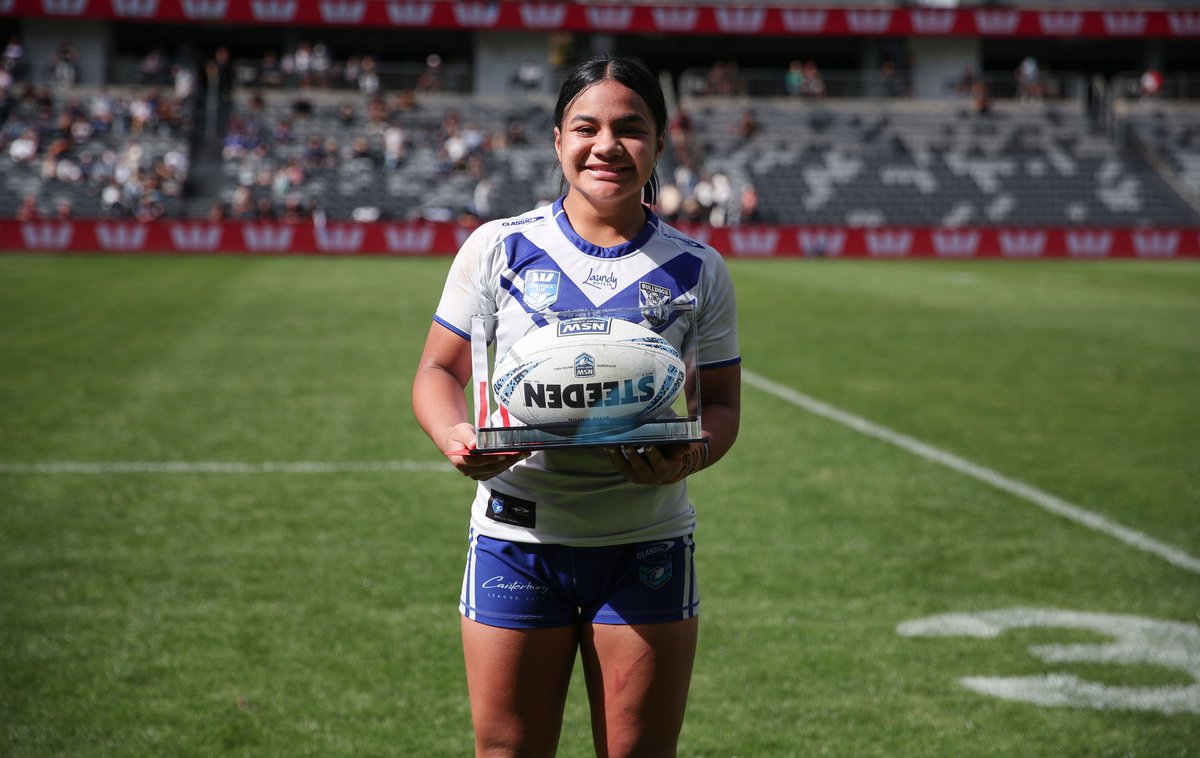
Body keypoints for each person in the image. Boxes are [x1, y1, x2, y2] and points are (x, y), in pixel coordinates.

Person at [412, 55, 741, 757]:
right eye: (586, 127)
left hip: (645, 539)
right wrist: (456, 438)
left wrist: (692, 454)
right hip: (518, 539)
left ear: (658, 142)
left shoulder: (698, 267)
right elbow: (438, 373)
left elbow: (723, 408)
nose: (607, 146)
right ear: (558, 137)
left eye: (631, 128)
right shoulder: (498, 248)